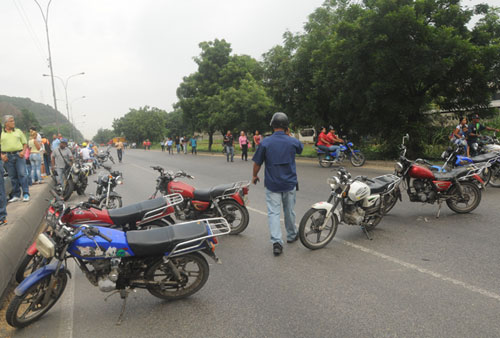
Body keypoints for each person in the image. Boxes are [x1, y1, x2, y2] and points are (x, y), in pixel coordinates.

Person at [252, 112, 303, 256]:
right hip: (289, 183)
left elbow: (257, 163)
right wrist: (289, 135)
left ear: (272, 125)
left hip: (272, 184)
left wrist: (254, 176)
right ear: (286, 127)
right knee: (289, 211)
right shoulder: (292, 141)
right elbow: (300, 148)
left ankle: (277, 243)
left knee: (273, 213)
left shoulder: (265, 142)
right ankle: (292, 235)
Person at [1, 115, 29, 202]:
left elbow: (25, 143)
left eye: (13, 120)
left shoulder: (18, 131)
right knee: (12, 176)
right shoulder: (1, 133)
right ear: (6, 123)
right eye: (11, 121)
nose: (13, 122)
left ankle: (26, 194)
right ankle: (16, 195)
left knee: (22, 174)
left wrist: (23, 152)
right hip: (7, 157)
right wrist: (1, 156)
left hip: (18, 155)